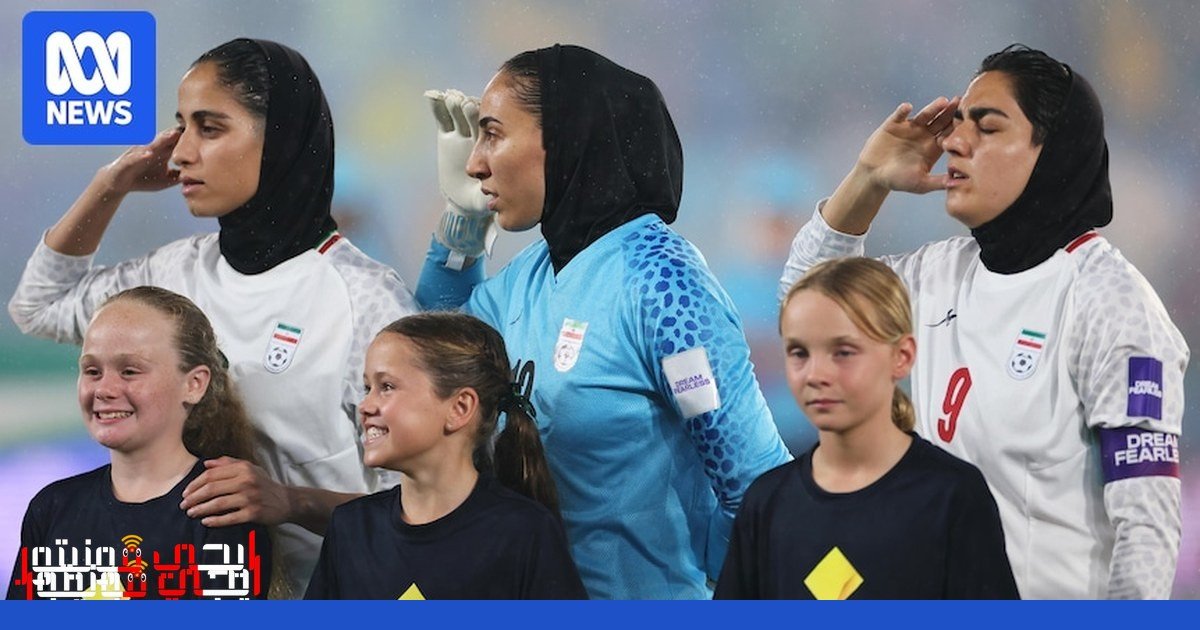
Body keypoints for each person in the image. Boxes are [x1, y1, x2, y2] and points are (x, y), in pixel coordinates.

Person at [7, 39, 418, 596]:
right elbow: (38, 305)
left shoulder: (367, 301)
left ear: (278, 139)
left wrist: (293, 502)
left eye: (210, 128)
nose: (180, 154)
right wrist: (111, 185)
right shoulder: (172, 274)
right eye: (181, 128)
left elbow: (429, 510)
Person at [778, 44, 1187, 599]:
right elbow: (806, 303)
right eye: (957, 124)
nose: (953, 142)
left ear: (1054, 151)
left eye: (988, 127)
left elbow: (1147, 526)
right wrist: (868, 179)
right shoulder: (936, 276)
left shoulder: (1110, 304)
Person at [417, 44, 791, 599]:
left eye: (492, 134)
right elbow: (433, 351)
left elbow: (759, 490)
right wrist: (463, 224)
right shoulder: (531, 275)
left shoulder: (663, 284)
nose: (474, 163)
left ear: (565, 137)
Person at [715, 259, 1017, 599]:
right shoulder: (767, 503)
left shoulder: (952, 496)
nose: (816, 374)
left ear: (902, 356)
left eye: (843, 352)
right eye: (799, 352)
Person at [7, 287, 271, 600]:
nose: (104, 389)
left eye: (130, 371)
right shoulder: (52, 508)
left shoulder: (221, 509)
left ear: (194, 384)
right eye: (92, 371)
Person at [305, 312, 586, 599]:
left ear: (459, 408)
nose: (365, 405)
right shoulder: (351, 528)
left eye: (386, 387)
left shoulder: (524, 533)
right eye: (367, 388)